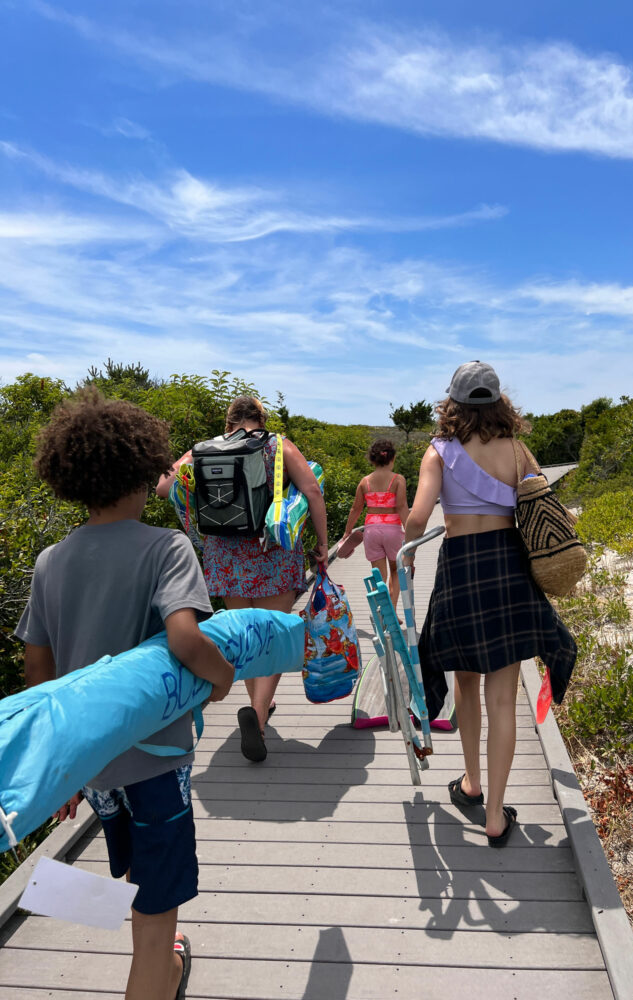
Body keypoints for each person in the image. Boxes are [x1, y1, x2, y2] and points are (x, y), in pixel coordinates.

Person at [14, 388, 235, 1000]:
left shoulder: (52, 560)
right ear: (145, 469)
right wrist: (222, 678)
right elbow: (187, 639)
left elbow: (39, 667)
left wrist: (62, 770)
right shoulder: (167, 548)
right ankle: (157, 971)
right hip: (156, 764)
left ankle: (167, 969)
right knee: (156, 912)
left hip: (93, 767)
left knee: (138, 875)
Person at [404, 361, 576, 847]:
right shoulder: (520, 451)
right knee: (503, 696)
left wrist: (406, 556)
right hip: (509, 570)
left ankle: (471, 782)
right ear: (500, 402)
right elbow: (545, 509)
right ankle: (495, 813)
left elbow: (418, 519)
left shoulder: (438, 452)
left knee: (465, 680)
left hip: (460, 571)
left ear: (452, 403)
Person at [157, 395, 327, 763]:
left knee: (248, 638)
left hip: (224, 559)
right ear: (261, 419)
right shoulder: (277, 445)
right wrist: (323, 544)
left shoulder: (204, 449)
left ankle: (257, 706)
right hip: (274, 555)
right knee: (275, 635)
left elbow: (163, 487)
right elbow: (312, 490)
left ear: (228, 422)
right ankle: (259, 716)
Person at [341, 439, 409, 610]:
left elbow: (356, 509)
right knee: (396, 570)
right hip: (392, 530)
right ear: (392, 459)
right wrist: (410, 530)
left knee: (379, 576)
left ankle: (380, 610)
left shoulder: (365, 482)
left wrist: (347, 532)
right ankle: (391, 610)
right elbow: (401, 506)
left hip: (371, 531)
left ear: (372, 460)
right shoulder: (398, 479)